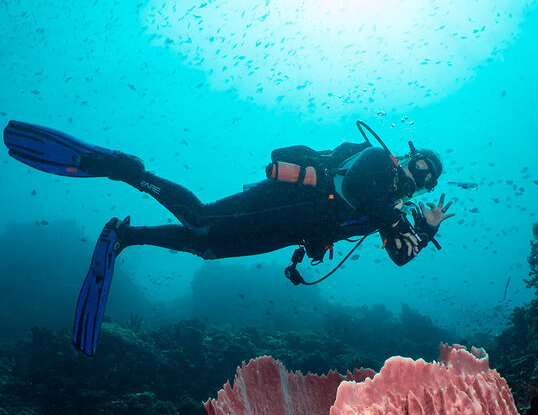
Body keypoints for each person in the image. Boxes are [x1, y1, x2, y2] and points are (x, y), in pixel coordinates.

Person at [3, 119, 454, 354]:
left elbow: (400, 256)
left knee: (209, 247)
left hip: (288, 229)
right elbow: (355, 188)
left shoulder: (394, 209)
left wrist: (423, 228)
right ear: (407, 158)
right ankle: (129, 172)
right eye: (420, 166)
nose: (420, 178)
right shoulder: (378, 160)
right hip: (278, 201)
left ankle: (127, 236)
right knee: (199, 218)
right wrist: (393, 218)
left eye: (428, 179)